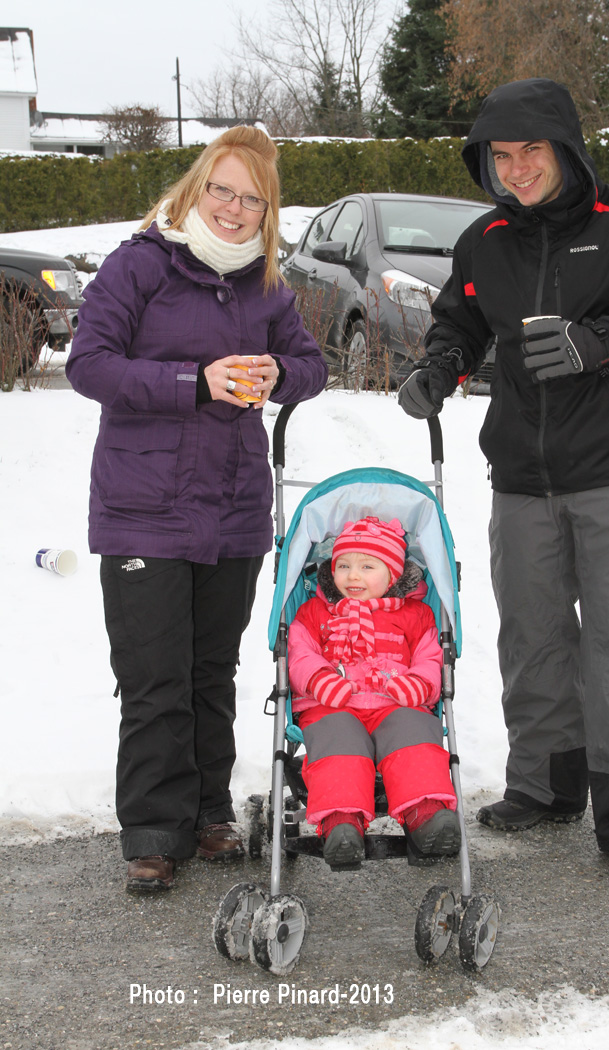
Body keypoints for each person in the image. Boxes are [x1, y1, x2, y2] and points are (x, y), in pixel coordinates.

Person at [398, 77, 609, 887]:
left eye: (530, 151)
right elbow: (457, 321)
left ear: (565, 147)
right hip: (521, 477)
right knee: (531, 635)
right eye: (501, 155)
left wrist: (605, 344)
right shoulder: (487, 240)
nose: (517, 169)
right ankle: (547, 782)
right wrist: (438, 369)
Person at [66, 126, 328, 892]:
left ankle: (208, 811)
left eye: (252, 199)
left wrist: (277, 370)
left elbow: (310, 365)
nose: (234, 209)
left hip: (234, 507)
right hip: (143, 506)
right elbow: (89, 364)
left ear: (267, 210)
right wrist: (196, 382)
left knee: (210, 671)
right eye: (223, 190)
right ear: (196, 187)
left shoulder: (267, 284)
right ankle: (153, 830)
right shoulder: (140, 264)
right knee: (154, 677)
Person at [287, 516, 460, 868]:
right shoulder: (316, 611)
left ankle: (426, 815)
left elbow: (430, 658)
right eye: (344, 565)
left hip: (395, 701)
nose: (353, 576)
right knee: (339, 745)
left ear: (394, 574)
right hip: (333, 703)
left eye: (368, 566)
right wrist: (320, 678)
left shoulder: (417, 615)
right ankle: (341, 827)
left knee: (414, 737)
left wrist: (417, 683)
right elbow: (299, 653)